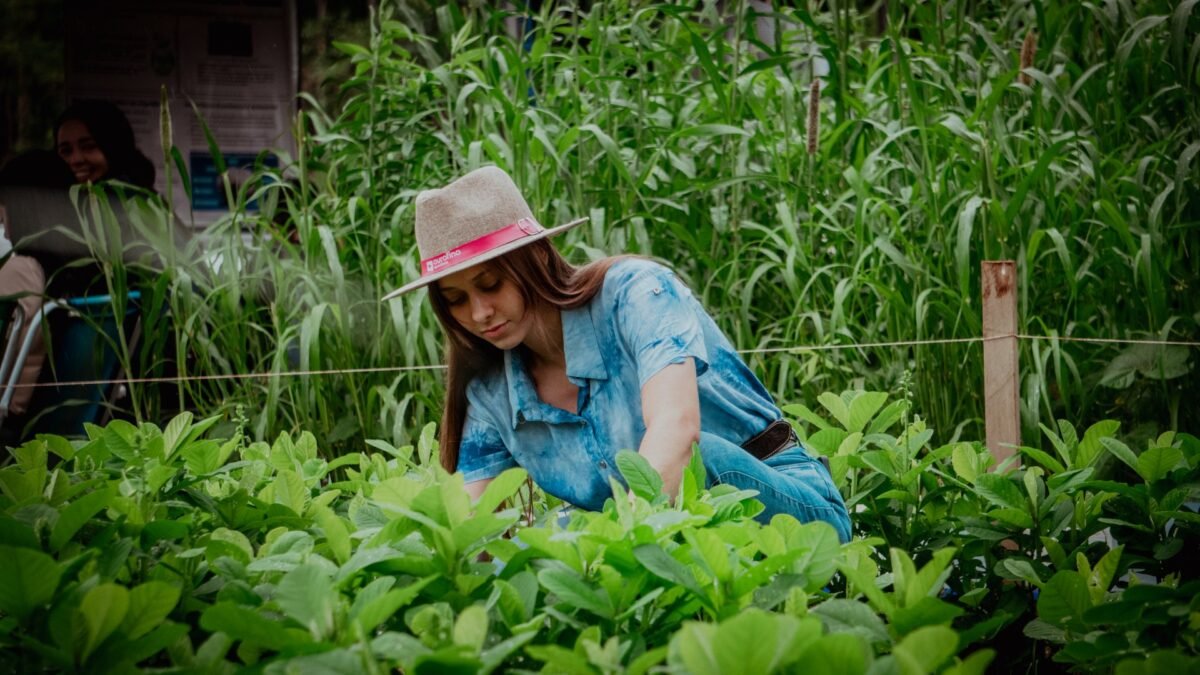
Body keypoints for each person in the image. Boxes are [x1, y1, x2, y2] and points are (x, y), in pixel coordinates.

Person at [382, 166, 851, 542]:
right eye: (456, 299)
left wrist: (611, 555)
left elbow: (677, 428)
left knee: (695, 459)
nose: (479, 312)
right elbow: (472, 524)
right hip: (660, 541)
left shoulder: (635, 294)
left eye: (490, 284)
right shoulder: (491, 391)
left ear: (537, 257)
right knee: (548, 541)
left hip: (790, 515)